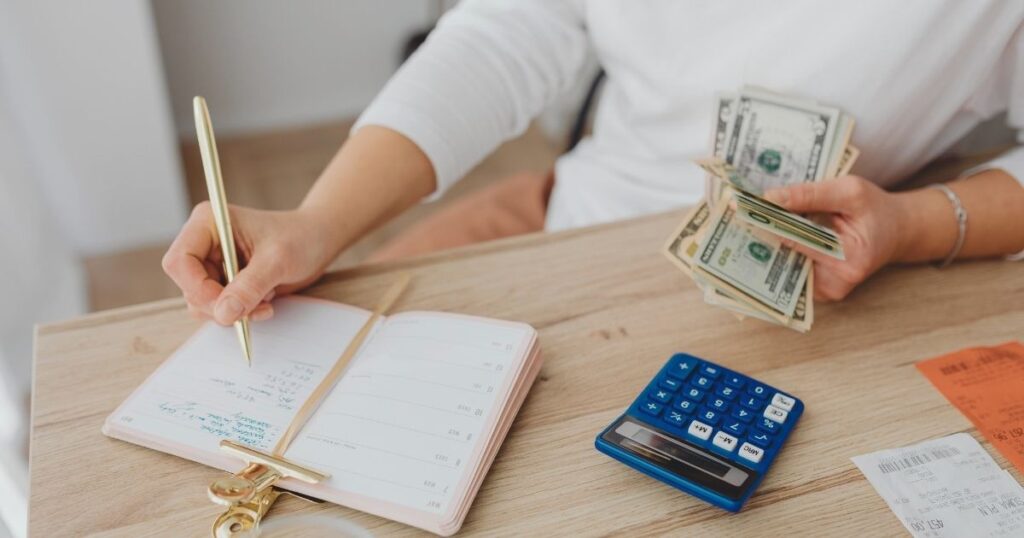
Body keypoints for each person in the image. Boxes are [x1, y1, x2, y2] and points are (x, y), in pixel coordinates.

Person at [163, 1, 1024, 325]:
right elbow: (510, 34)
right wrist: (315, 221)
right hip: (562, 217)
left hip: (808, 291)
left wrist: (913, 224)